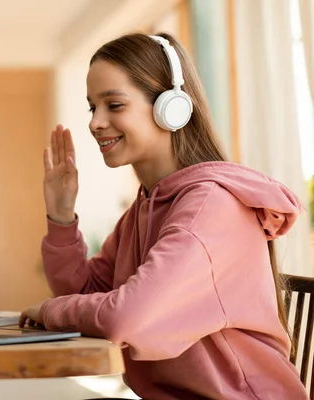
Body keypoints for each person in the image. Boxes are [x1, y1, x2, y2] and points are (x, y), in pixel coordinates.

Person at [18, 32, 308, 400]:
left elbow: (127, 318)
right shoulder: (146, 207)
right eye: (93, 107)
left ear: (171, 107)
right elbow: (86, 295)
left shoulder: (211, 208)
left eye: (114, 105)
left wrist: (51, 310)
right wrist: (61, 217)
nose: (95, 122)